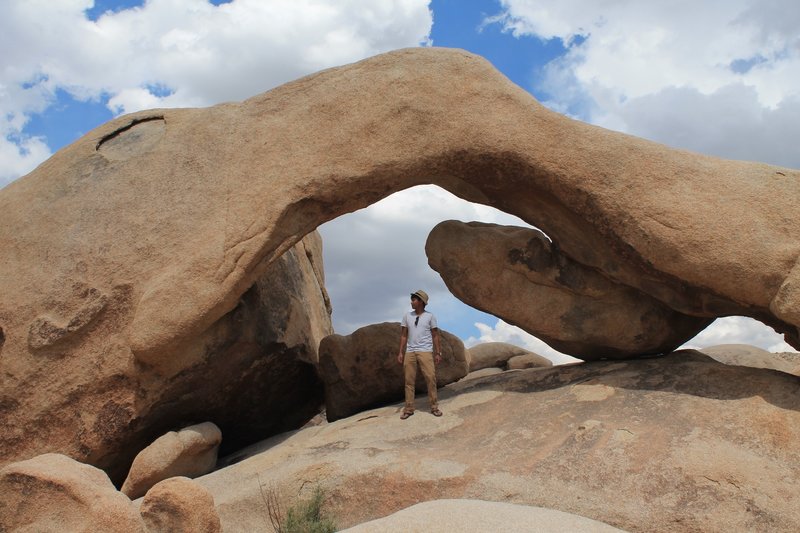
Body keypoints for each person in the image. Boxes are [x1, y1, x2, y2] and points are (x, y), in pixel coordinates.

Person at [396, 289, 443, 419]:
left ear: (421, 302)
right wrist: (401, 352)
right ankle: (409, 408)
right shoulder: (407, 316)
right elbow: (404, 336)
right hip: (410, 351)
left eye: (414, 299)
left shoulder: (430, 316)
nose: (411, 302)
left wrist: (438, 352)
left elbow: (435, 335)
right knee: (409, 381)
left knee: (430, 378)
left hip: (425, 351)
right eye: (412, 299)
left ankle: (434, 407)